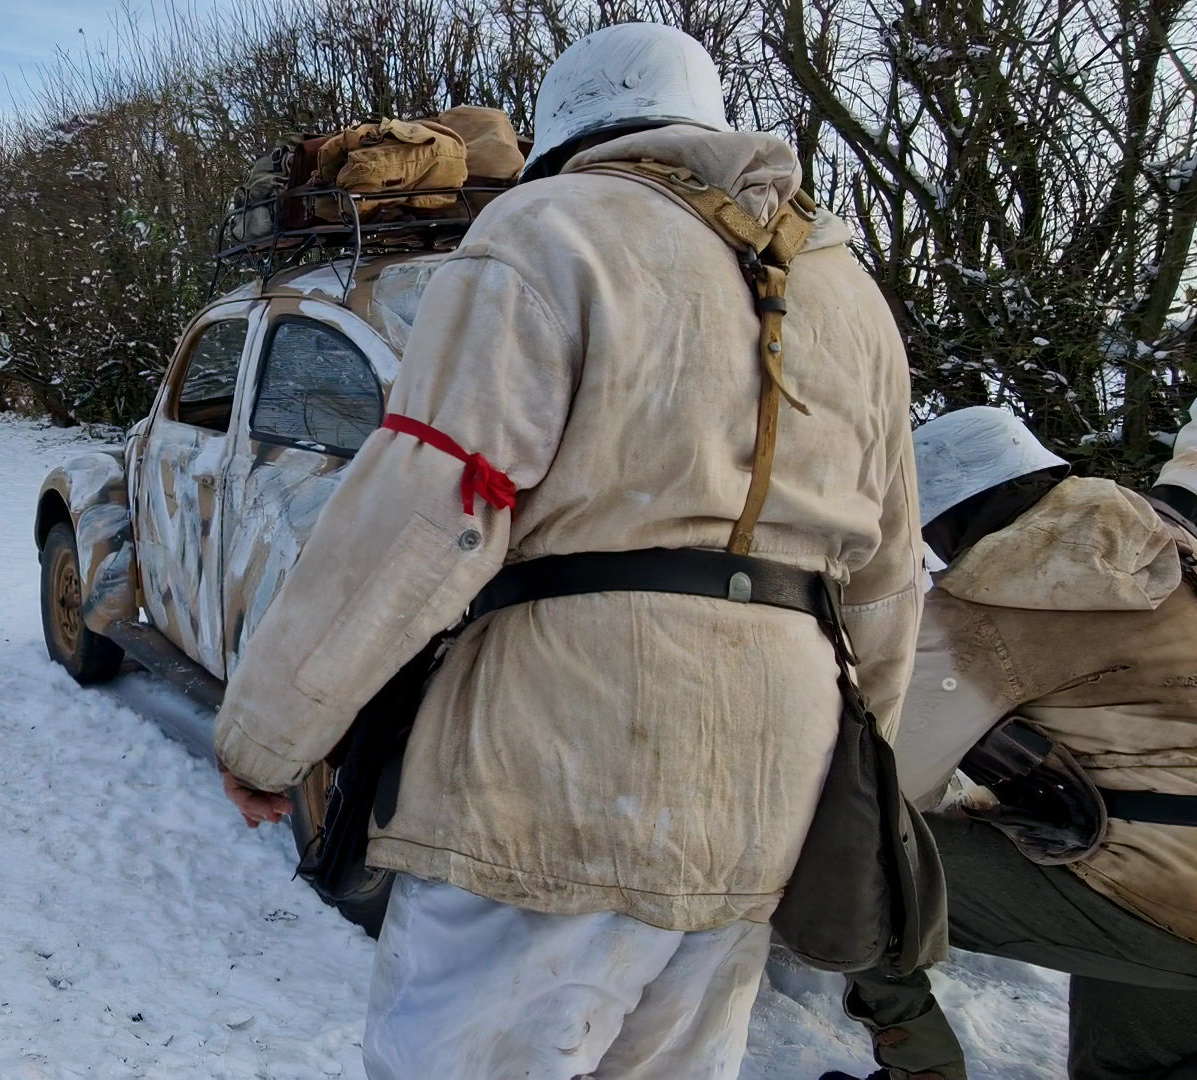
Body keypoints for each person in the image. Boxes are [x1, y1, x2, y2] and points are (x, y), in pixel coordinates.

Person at [212, 22, 923, 1079]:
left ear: (560, 133)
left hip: (557, 769)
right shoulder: (845, 287)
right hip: (766, 781)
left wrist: (270, 730)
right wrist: (856, 771)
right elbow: (884, 578)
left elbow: (433, 502)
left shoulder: (546, 228)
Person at [829, 406, 1197, 1080]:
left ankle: (921, 1066)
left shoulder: (992, 600)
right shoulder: (1169, 541)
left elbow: (889, 782)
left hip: (1161, 893)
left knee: (850, 847)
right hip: (1172, 870)